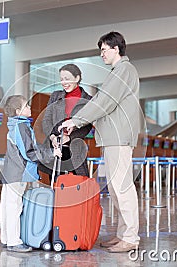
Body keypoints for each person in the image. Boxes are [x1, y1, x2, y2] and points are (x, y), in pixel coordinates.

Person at [60, 32, 142, 252]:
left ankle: (131, 238)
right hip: (112, 138)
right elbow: (101, 99)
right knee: (116, 188)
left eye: (104, 49)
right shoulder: (118, 72)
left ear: (116, 49)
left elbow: (104, 101)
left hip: (119, 137)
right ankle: (123, 234)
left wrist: (76, 121)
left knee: (122, 187)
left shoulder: (124, 70)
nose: (101, 54)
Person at [0, 95, 61, 253]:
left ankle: (6, 238)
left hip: (10, 172)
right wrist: (51, 153)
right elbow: (30, 152)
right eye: (26, 106)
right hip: (18, 173)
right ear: (18, 111)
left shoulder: (15, 125)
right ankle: (14, 241)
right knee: (15, 206)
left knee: (7, 205)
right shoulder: (21, 127)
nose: (30, 108)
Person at [41, 63, 92, 177]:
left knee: (77, 186)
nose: (64, 82)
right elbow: (46, 120)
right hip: (56, 148)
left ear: (77, 78)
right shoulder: (55, 96)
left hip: (75, 148)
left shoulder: (88, 100)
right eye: (62, 79)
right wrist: (52, 137)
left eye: (67, 79)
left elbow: (87, 126)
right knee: (57, 185)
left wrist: (69, 137)